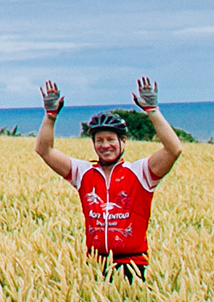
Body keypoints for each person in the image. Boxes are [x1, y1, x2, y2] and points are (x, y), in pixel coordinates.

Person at [32, 76, 183, 278]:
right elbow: (44, 150)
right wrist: (50, 116)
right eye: (99, 140)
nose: (105, 146)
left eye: (111, 139)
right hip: (95, 263)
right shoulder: (83, 173)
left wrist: (153, 112)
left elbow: (174, 149)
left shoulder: (141, 173)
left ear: (123, 141)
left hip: (132, 264)